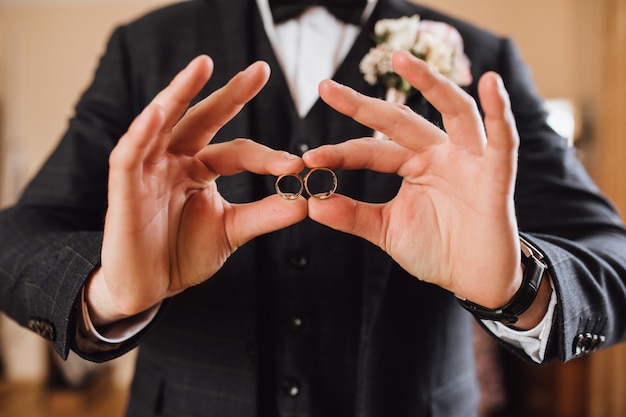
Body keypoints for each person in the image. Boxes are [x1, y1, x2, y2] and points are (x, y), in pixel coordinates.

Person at [1, 0, 625, 415]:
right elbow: (17, 240)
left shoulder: (481, 58)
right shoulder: (145, 47)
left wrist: (518, 286)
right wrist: (110, 292)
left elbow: (613, 259)